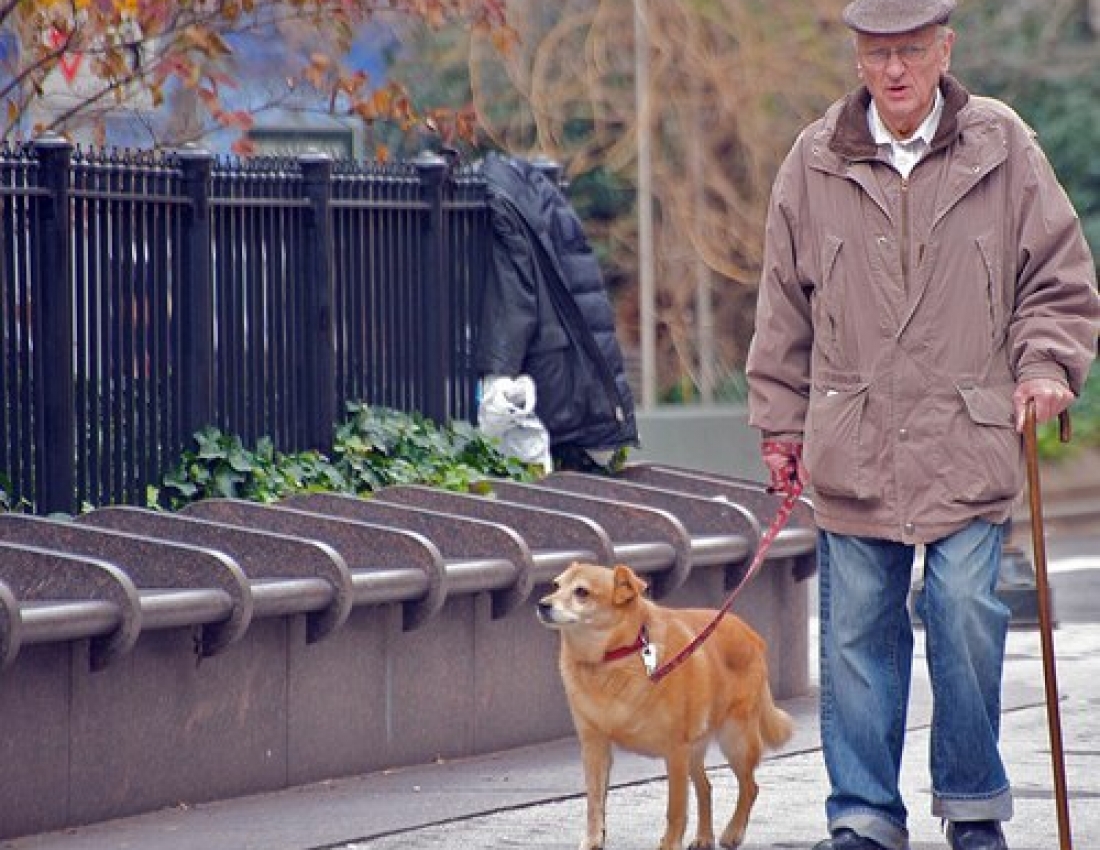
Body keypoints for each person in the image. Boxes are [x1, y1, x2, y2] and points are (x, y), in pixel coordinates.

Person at [744, 1, 1100, 849]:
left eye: (910, 50)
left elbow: (1055, 275)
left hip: (967, 438)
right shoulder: (813, 159)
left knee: (967, 612)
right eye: (877, 53)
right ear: (859, 58)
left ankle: (973, 805)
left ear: (946, 49)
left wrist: (1046, 366)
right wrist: (779, 427)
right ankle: (863, 817)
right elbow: (781, 308)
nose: (895, 69)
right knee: (858, 635)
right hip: (851, 439)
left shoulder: (1003, 146)